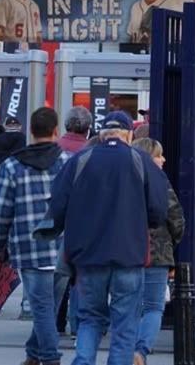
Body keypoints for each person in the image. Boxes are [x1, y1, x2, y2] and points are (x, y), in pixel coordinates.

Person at [48, 111, 169, 365]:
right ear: (129, 134)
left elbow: (57, 203)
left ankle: (82, 361)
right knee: (125, 322)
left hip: (88, 255)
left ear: (101, 134)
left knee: (90, 318)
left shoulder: (80, 160)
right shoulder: (141, 160)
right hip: (130, 254)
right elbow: (159, 209)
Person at [0, 107, 67, 365]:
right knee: (49, 308)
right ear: (56, 131)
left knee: (42, 308)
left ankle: (49, 359)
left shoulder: (11, 166)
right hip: (65, 248)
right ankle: (33, 356)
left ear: (30, 131)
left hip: (29, 247)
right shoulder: (68, 163)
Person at [132, 138, 184, 365]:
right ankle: (141, 351)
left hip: (128, 252)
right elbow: (176, 217)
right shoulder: (160, 181)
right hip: (158, 252)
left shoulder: (124, 179)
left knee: (130, 306)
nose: (163, 159)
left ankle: (127, 349)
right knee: (153, 307)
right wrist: (174, 241)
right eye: (159, 155)